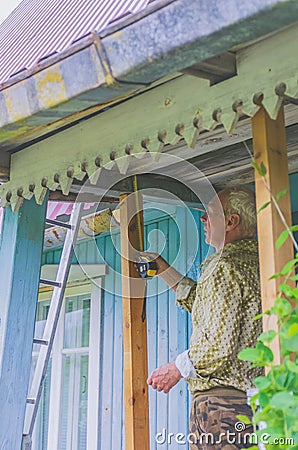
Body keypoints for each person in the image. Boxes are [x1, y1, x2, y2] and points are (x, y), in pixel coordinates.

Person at [146, 186, 263, 449]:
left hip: (222, 407)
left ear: (232, 222)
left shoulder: (225, 267)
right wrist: (162, 268)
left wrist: (178, 367)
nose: (203, 219)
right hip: (247, 402)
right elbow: (206, 306)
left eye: (210, 213)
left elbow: (219, 346)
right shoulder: (254, 262)